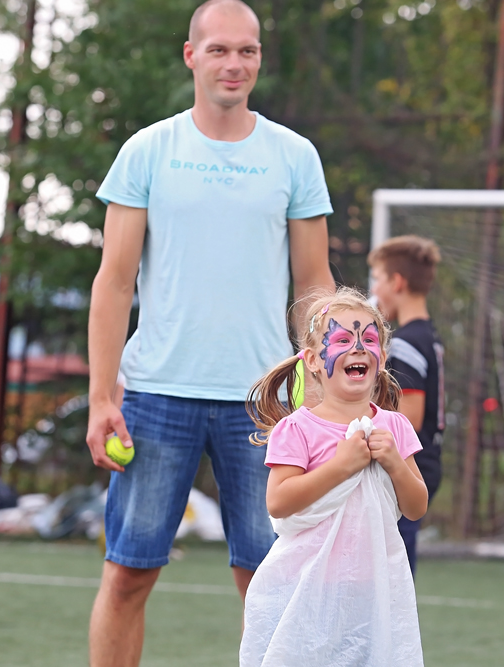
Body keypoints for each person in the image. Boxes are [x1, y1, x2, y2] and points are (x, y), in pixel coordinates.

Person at [84, 0, 335, 665]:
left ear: (259, 59)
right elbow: (114, 281)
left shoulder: (294, 155)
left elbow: (314, 284)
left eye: (247, 50)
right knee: (128, 574)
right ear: (191, 55)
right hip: (155, 395)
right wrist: (102, 395)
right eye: (219, 49)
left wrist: (320, 388)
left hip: (266, 403)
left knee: (270, 582)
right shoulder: (147, 150)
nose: (234, 63)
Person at [240, 288, 427, 666]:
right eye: (342, 340)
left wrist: (395, 462)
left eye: (369, 340)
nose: (358, 348)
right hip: (307, 587)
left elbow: (416, 507)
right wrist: (341, 466)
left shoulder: (395, 427)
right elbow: (279, 502)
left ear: (382, 357)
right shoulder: (297, 429)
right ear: (312, 359)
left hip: (372, 590)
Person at [368, 235, 444, 576]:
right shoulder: (429, 336)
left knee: (392, 564)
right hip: (426, 462)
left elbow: (409, 418)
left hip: (410, 467)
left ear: (396, 282)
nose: (374, 290)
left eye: (377, 279)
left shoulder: (407, 343)